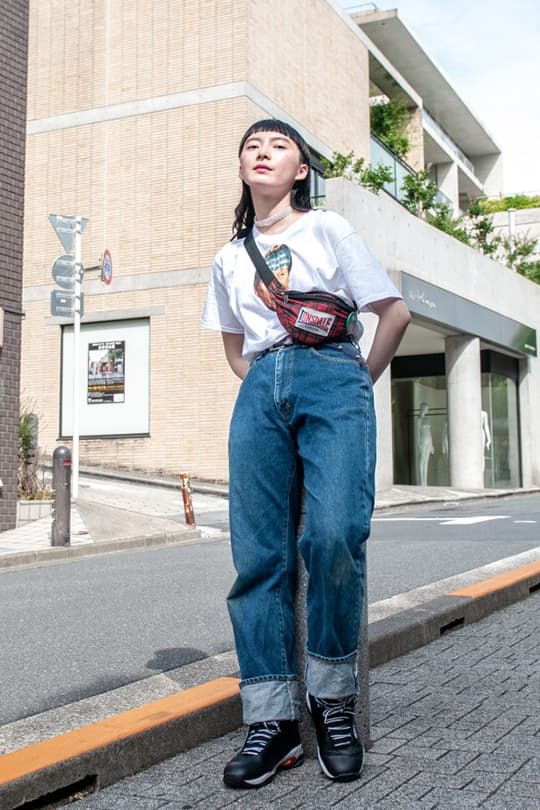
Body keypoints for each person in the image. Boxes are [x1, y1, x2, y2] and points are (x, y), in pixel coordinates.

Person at [201, 119, 411, 789]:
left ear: (300, 171)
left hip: (335, 375)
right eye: (252, 146)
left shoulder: (327, 230)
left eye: (278, 146)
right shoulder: (230, 257)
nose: (261, 152)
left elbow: (392, 311)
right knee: (257, 557)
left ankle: (332, 701)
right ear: (242, 168)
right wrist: (268, 387)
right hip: (262, 387)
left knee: (333, 536)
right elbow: (236, 348)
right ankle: (273, 721)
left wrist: (354, 382)